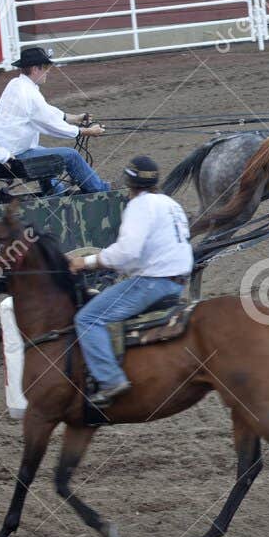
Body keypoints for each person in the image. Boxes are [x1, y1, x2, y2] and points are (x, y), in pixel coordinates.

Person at [67, 155, 194, 407]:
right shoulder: (170, 203)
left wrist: (87, 262)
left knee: (88, 319)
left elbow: (127, 252)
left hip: (152, 282)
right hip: (178, 280)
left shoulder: (138, 206)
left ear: (129, 183)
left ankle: (110, 379)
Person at [0, 46, 109, 193]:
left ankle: (55, 191)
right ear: (35, 69)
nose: (48, 71)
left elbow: (44, 111)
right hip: (15, 154)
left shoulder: (16, 84)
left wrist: (73, 118)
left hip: (0, 149)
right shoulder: (29, 93)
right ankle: (100, 190)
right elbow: (51, 124)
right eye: (45, 67)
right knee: (71, 156)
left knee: (45, 154)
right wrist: (84, 131)